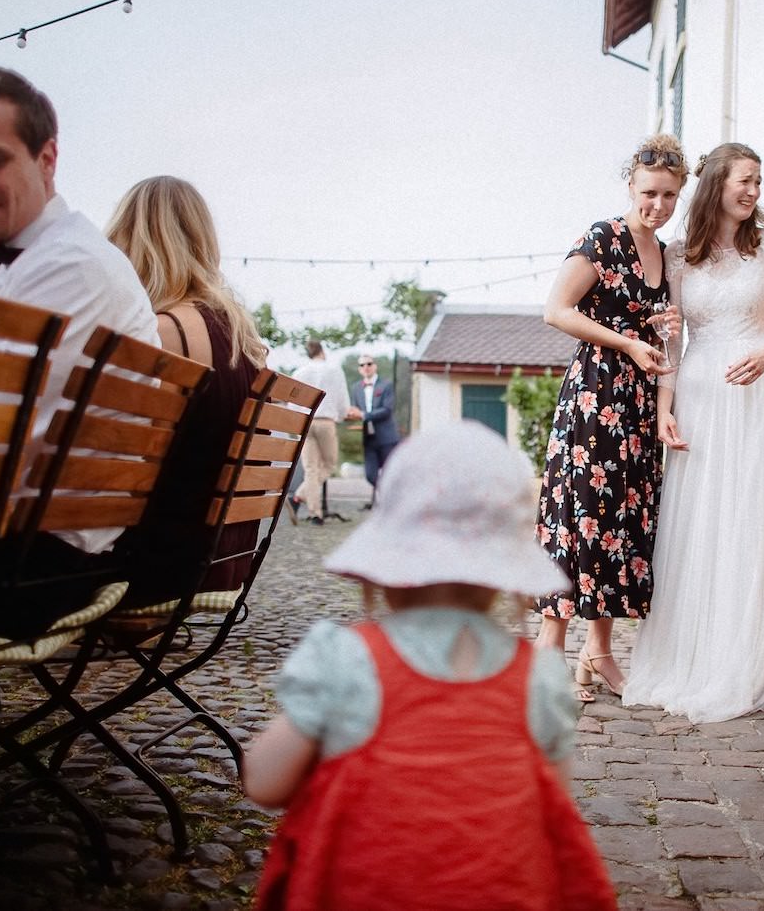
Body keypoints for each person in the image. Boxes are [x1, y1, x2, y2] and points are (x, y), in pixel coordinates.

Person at [245, 420, 616, 911]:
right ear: (502, 578)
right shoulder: (540, 677)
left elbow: (265, 783)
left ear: (384, 568)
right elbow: (554, 801)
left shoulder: (346, 660)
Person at [0, 64, 158, 615]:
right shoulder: (35, 261)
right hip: (35, 542)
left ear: (47, 159)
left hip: (31, 561)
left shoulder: (67, 267)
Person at [622, 142, 764, 724]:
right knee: (699, 526)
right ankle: (699, 656)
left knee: (754, 518)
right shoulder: (681, 254)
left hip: (758, 393)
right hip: (700, 395)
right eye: (745, 180)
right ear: (716, 183)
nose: (754, 191)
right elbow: (674, 338)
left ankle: (752, 657)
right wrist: (666, 408)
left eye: (759, 182)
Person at [530, 134, 686, 703]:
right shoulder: (602, 238)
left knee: (620, 529)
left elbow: (660, 327)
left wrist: (662, 332)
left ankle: (598, 655)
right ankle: (549, 655)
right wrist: (625, 341)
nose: (658, 206)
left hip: (639, 407)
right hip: (594, 400)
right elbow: (556, 310)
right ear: (630, 185)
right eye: (649, 193)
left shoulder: (666, 254)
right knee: (579, 521)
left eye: (669, 196)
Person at [103, 175, 267, 599]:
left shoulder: (164, 332)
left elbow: (112, 456)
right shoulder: (239, 334)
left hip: (157, 569)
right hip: (222, 558)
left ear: (127, 241)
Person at [287, 340, 349, 525]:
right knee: (329, 464)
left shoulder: (299, 372)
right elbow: (342, 399)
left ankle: (314, 512)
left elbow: (292, 402)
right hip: (325, 422)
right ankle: (300, 497)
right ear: (322, 351)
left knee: (311, 469)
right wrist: (342, 415)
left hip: (306, 422)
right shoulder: (334, 371)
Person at [345, 354, 399, 490]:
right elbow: (355, 409)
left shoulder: (386, 385)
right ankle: (384, 497)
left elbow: (387, 410)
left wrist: (363, 414)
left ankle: (383, 503)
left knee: (389, 473)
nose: (366, 367)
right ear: (359, 369)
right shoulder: (356, 388)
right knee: (370, 475)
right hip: (369, 438)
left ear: (375, 366)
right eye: (362, 365)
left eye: (369, 364)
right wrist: (350, 414)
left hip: (387, 437)